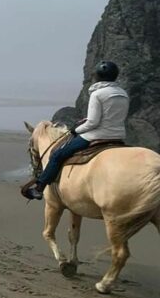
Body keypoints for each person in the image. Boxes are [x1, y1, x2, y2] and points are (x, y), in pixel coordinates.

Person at [22, 61, 128, 201]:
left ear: (98, 76)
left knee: (57, 155)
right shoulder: (123, 93)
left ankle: (39, 188)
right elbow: (113, 116)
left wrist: (75, 130)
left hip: (97, 135)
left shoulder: (98, 94)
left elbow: (93, 122)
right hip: (118, 136)